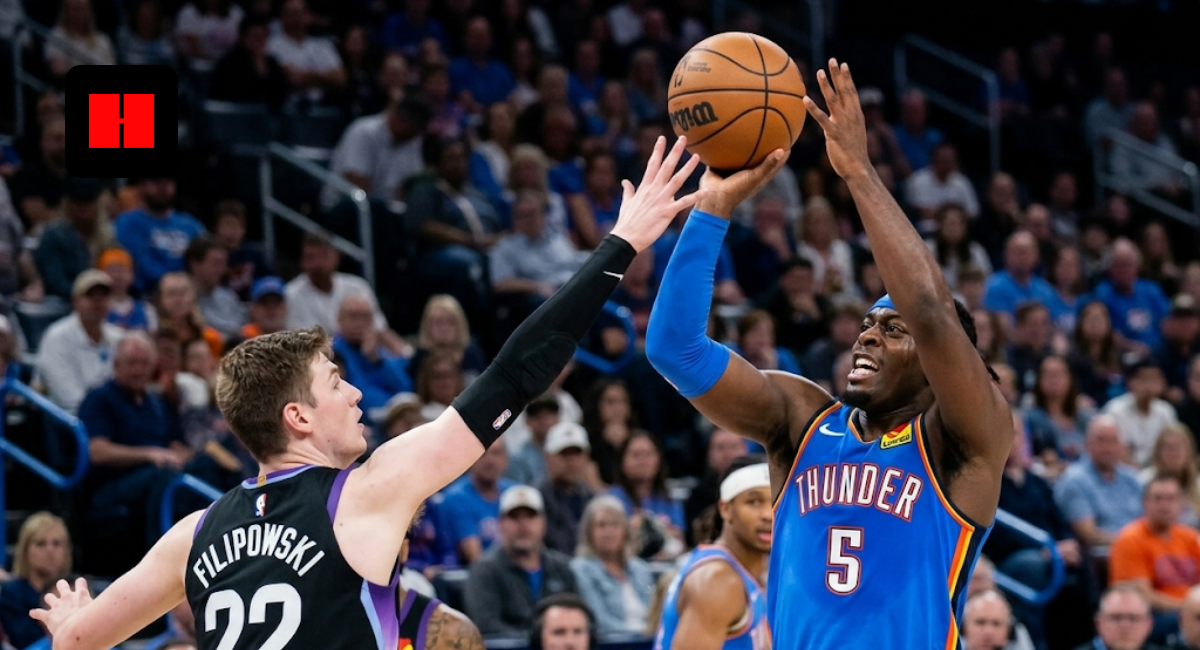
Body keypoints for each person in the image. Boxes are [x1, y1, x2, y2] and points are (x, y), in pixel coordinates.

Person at [29, 136, 708, 650]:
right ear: (297, 417)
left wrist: (70, 620)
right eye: (335, 383)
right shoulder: (364, 494)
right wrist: (621, 244)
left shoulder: (194, 534)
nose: (356, 394)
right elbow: (512, 376)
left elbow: (78, 641)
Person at [645, 59, 1013, 650]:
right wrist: (712, 209)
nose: (866, 336)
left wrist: (858, 171)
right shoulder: (801, 420)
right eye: (866, 325)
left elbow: (930, 310)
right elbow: (674, 350)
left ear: (941, 363)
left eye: (892, 330)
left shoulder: (965, 439)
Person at [653, 459, 773, 650]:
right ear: (725, 509)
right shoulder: (717, 580)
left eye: (775, 502)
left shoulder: (749, 573)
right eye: (754, 502)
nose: (767, 514)